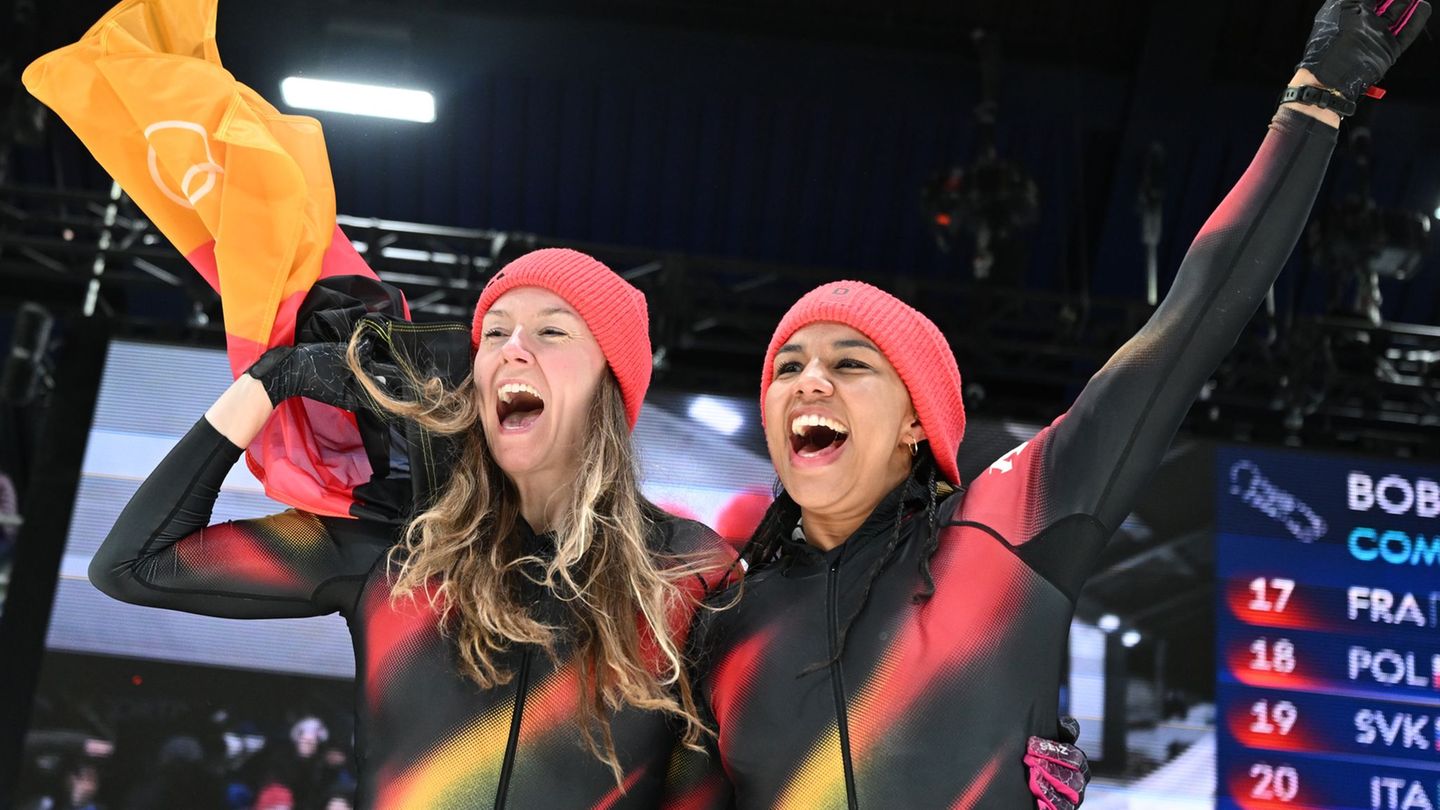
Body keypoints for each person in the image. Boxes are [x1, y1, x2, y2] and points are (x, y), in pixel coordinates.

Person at [688, 1, 1430, 806]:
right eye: (787, 366)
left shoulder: (1002, 527)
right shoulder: (722, 623)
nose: (809, 381)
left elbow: (1189, 325)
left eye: (850, 363)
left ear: (916, 422)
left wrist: (1322, 89)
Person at [90, 248, 733, 808]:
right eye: (495, 333)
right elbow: (133, 564)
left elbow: (701, 786)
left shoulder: (688, 568)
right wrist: (272, 380)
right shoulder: (403, 540)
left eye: (552, 330)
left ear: (612, 381)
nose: (512, 347)